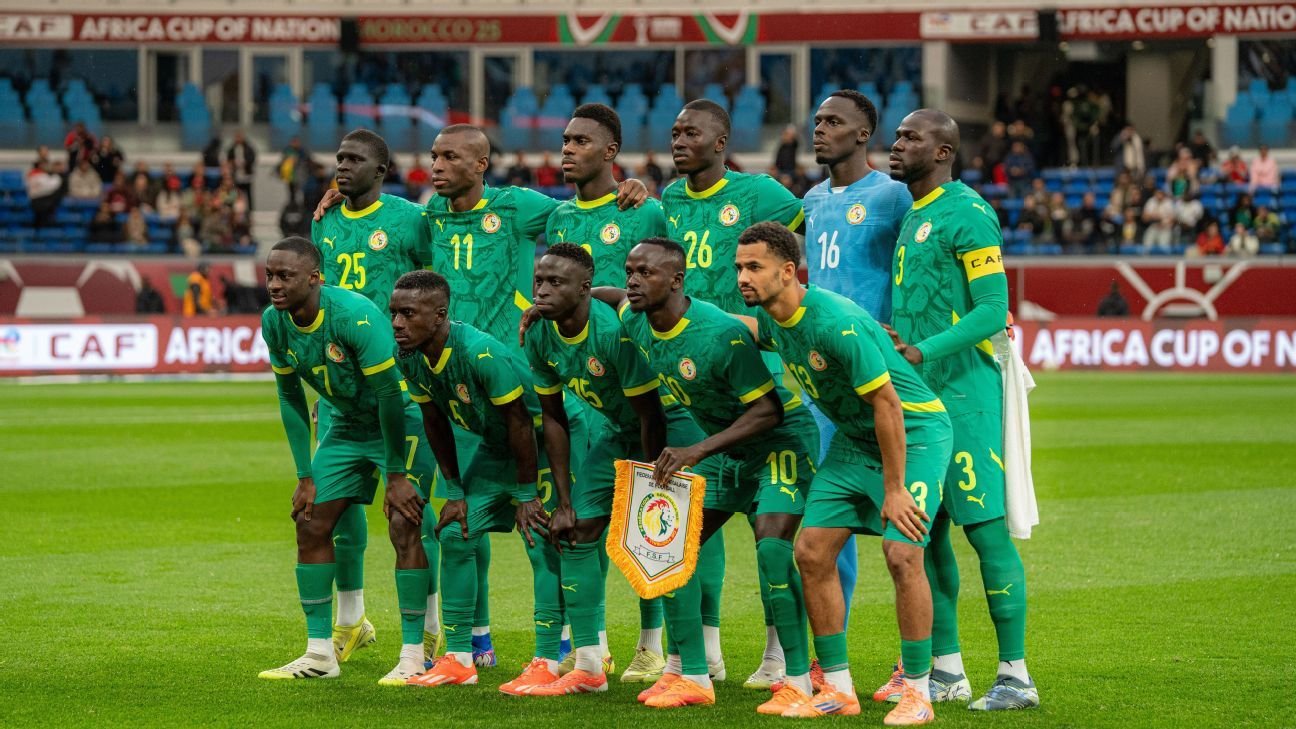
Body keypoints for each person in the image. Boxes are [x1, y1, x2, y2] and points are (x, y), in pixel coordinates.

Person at [735, 221, 953, 723]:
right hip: (857, 441)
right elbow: (742, 328)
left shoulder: (835, 322)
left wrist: (895, 489)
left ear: (788, 272)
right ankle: (837, 689)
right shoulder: (773, 318)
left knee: (902, 552)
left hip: (913, 435)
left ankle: (918, 693)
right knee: (811, 551)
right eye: (740, 268)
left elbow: (889, 405)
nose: (743, 277)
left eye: (754, 267)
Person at [591, 238, 820, 713]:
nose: (633, 281)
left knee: (774, 552)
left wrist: (697, 448)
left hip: (778, 442)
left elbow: (768, 410)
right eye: (630, 271)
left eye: (645, 273)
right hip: (723, 445)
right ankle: (692, 674)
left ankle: (798, 677)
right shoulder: (635, 317)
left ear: (676, 280)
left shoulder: (719, 334)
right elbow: (610, 295)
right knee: (669, 546)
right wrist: (556, 304)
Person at [885, 109, 1038, 711]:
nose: (896, 146)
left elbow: (991, 311)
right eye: (896, 136)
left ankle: (1015, 676)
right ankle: (947, 670)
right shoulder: (913, 216)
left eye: (909, 137)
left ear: (943, 151)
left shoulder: (968, 212)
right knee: (926, 538)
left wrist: (919, 351)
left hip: (965, 398)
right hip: (919, 403)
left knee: (987, 536)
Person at [520, 244, 716, 695]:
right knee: (575, 530)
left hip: (671, 432)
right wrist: (565, 501)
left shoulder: (613, 332)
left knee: (662, 547)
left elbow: (652, 414)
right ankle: (589, 666)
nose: (542, 291)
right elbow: (553, 418)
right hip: (616, 434)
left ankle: (688, 668)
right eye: (539, 282)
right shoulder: (538, 334)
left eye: (555, 283)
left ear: (584, 289)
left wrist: (648, 492)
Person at [388, 270, 589, 692]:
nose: (397, 324)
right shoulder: (409, 356)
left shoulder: (480, 353)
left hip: (548, 442)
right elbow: (434, 420)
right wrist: (456, 491)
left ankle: (548, 660)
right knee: (457, 534)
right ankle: (460, 658)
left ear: (440, 315)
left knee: (541, 539)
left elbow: (520, 423)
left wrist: (526, 495)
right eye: (394, 314)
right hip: (500, 448)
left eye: (408, 314)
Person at [660, 99, 804, 686]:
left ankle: (779, 655)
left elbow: (803, 241)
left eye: (691, 132)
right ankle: (695, 657)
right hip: (700, 387)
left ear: (722, 142)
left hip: (758, 371)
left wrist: (772, 318)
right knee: (682, 530)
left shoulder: (763, 194)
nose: (678, 140)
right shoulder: (668, 200)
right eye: (674, 131)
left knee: (771, 534)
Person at [256, 237, 437, 686]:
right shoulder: (274, 323)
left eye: (286, 276)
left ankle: (418, 651)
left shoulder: (352, 315)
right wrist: (304, 474)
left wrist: (395, 473)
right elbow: (289, 396)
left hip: (401, 418)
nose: (275, 285)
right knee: (311, 520)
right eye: (270, 275)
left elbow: (389, 396)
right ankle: (320, 654)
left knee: (404, 521)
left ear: (315, 278)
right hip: (346, 424)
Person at [311, 128, 439, 668]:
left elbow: (438, 287)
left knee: (413, 513)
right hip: (344, 388)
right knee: (333, 509)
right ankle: (351, 620)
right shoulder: (326, 221)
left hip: (405, 382)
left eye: (354, 159)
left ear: (380, 170)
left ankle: (433, 628)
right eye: (338, 157)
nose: (341, 166)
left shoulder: (410, 220)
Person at [802, 88, 914, 646]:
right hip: (819, 383)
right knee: (826, 519)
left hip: (874, 374)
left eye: (832, 122)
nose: (819, 129)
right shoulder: (811, 200)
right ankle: (828, 654)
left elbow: (926, 256)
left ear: (862, 134)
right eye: (817, 120)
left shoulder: (894, 197)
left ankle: (923, 664)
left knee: (909, 525)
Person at [546, 104, 667, 287]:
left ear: (610, 151)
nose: (567, 149)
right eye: (566, 141)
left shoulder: (646, 212)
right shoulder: (557, 217)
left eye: (581, 141)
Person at [25, 158, 64, 229]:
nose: (45, 166)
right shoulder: (34, 174)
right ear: (39, 165)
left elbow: (53, 186)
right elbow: (32, 189)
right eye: (43, 164)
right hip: (36, 201)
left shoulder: (55, 177)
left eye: (46, 164)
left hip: (47, 202)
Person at [227, 130, 257, 209]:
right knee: (234, 193)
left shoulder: (248, 148)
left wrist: (245, 163)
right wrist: (234, 163)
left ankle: (250, 211)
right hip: (235, 176)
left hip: (246, 175)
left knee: (248, 194)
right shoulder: (232, 148)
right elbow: (228, 160)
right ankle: (233, 210)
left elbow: (252, 158)